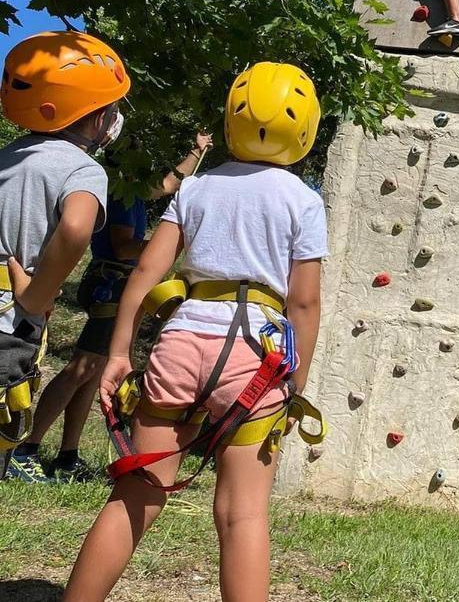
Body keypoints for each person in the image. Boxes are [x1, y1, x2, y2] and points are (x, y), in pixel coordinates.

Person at [64, 62, 327, 602]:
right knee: (242, 514)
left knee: (137, 493)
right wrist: (294, 380)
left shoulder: (197, 187)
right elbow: (304, 300)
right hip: (257, 355)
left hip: (182, 342)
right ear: (304, 129)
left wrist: (119, 353)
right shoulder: (303, 200)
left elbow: (145, 273)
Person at [11, 132, 214, 482]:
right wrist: (165, 246)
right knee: (82, 366)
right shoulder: (119, 194)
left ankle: (67, 456)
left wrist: (197, 149)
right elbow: (123, 247)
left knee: (93, 372)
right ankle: (26, 449)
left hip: (114, 285)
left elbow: (169, 184)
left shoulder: (131, 190)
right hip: (111, 283)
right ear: (128, 162)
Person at [0, 31, 131, 481]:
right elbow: (76, 228)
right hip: (11, 314)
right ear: (94, 118)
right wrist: (38, 295)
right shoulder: (82, 168)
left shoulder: (6, 158)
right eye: (111, 109)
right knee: (6, 404)